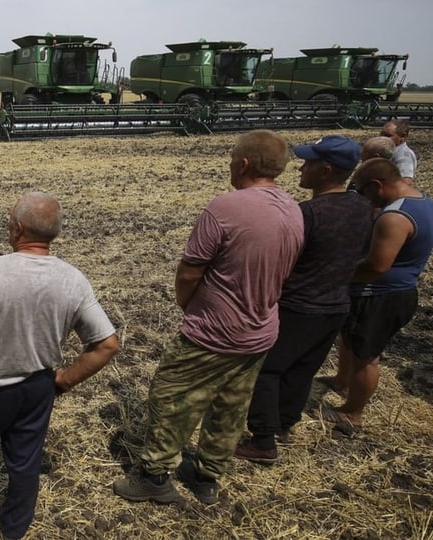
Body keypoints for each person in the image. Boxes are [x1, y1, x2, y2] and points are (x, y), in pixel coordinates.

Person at [112, 130, 303, 505]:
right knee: (231, 406)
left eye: (233, 158)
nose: (230, 163)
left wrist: (190, 306)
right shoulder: (292, 208)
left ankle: (154, 476)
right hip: (261, 331)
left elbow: (189, 272)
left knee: (170, 397)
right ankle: (206, 476)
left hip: (213, 332)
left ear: (244, 163)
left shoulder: (226, 208)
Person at [0, 192, 121, 540]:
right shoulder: (73, 280)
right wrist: (64, 380)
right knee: (25, 460)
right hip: (38, 386)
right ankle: (16, 524)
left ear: (18, 229)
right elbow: (107, 344)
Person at [234, 136, 373, 464]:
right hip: (337, 304)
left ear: (325, 171)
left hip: (298, 304)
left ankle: (263, 441)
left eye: (309, 163)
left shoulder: (306, 214)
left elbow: (283, 259)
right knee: (302, 368)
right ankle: (284, 424)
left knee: (266, 369)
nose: (301, 168)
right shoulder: (363, 208)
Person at [316, 158, 433, 434]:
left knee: (366, 357)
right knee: (353, 343)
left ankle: (352, 413)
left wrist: (338, 271)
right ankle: (341, 381)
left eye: (363, 191)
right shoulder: (423, 202)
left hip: (379, 295)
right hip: (401, 289)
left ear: (377, 185)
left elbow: (376, 266)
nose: (363, 198)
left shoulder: (394, 218)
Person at [381, 119, 417, 184]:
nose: (382, 138)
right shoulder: (388, 151)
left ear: (403, 137)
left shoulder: (404, 155)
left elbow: (406, 182)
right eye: (382, 134)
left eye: (388, 136)